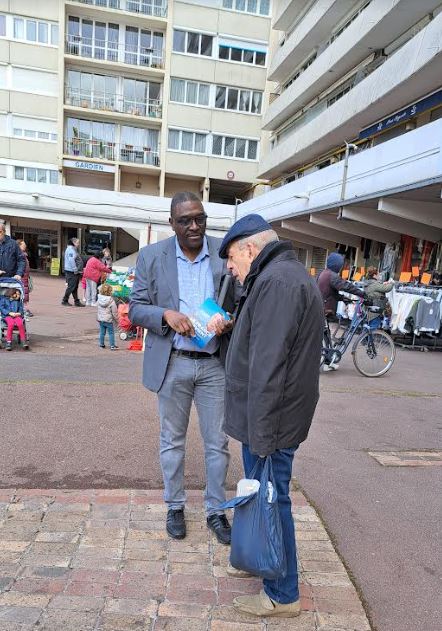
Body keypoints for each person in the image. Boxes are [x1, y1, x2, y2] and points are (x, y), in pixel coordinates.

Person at [218, 214, 324, 619]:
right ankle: (263, 560)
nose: (229, 266)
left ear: (249, 248)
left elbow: (268, 367)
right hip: (273, 417)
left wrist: (260, 437)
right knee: (264, 497)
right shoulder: (279, 276)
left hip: (272, 421)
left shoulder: (277, 282)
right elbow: (263, 346)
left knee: (271, 500)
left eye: (231, 257)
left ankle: (282, 593)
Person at [129, 191, 235, 544]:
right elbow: (135, 309)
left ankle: (216, 511)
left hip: (213, 365)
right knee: (171, 441)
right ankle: (175, 506)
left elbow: (243, 300)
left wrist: (228, 319)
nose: (194, 226)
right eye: (185, 220)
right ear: (171, 223)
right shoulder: (151, 257)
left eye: (199, 219)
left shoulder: (223, 254)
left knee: (217, 443)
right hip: (172, 362)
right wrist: (165, 315)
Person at [317, 252, 366, 371]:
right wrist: (362, 293)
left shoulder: (323, 273)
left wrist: (345, 299)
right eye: (341, 264)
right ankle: (328, 360)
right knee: (327, 334)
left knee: (326, 334)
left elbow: (331, 292)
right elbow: (346, 286)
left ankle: (329, 361)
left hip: (320, 306)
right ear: (337, 265)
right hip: (325, 308)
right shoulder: (332, 275)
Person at [61, 238, 85, 307]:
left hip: (72, 271)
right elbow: (71, 260)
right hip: (71, 271)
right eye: (77, 243)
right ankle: (64, 300)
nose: (78, 244)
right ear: (73, 243)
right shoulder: (71, 250)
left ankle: (76, 301)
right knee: (71, 286)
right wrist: (75, 269)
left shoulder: (72, 249)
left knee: (74, 287)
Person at [97, 283, 118, 350]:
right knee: (111, 333)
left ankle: (101, 344)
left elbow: (97, 308)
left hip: (101, 319)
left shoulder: (99, 299)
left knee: (102, 332)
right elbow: (114, 312)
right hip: (108, 319)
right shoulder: (111, 301)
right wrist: (117, 319)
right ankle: (112, 345)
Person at [16, 239, 32, 318]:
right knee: (22, 293)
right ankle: (23, 310)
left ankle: (24, 309)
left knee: (24, 293)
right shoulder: (19, 255)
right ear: (19, 245)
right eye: (23, 244)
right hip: (21, 277)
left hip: (25, 277)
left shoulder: (23, 255)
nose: (25, 245)